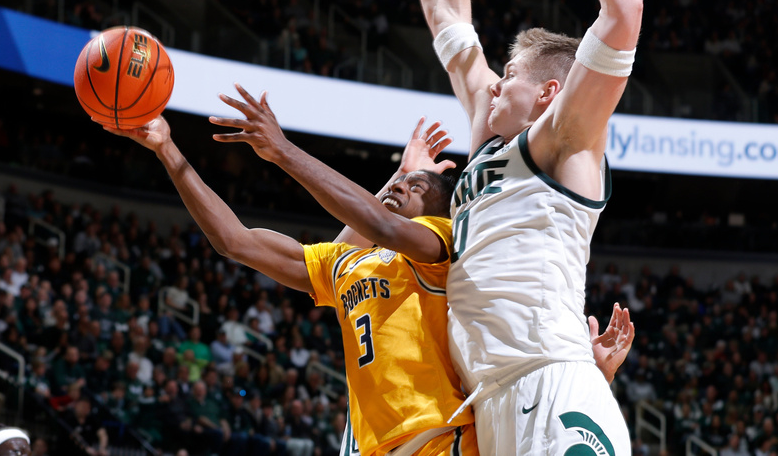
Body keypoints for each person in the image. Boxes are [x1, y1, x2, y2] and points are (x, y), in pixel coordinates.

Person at [109, 112, 633, 456]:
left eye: (414, 183)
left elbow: (382, 223)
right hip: (372, 446)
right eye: (396, 181)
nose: (400, 185)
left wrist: (285, 152)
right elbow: (235, 242)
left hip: (439, 437)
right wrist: (169, 151)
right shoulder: (345, 268)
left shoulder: (442, 244)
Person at [388, 0, 643, 455]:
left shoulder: (563, 140)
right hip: (490, 401)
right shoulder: (487, 138)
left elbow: (624, 13)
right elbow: (446, 12)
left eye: (511, 74)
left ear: (551, 94)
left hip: (554, 387)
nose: (494, 83)